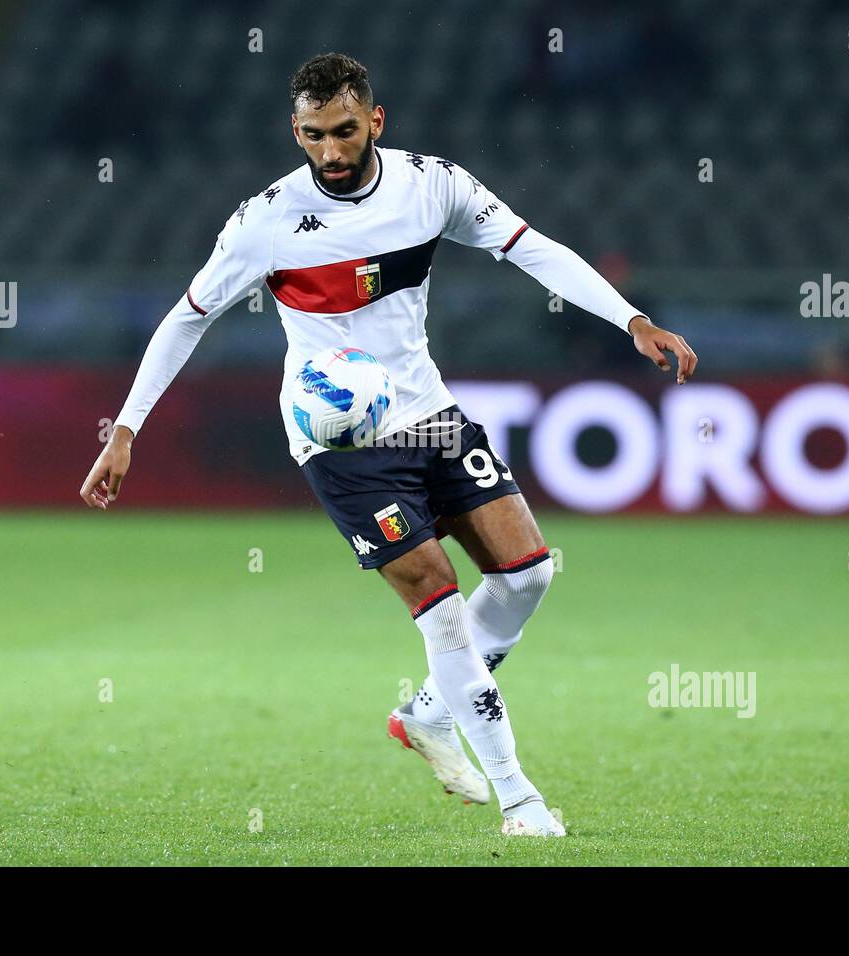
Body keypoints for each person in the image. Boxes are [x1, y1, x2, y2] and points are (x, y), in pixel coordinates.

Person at [80, 52, 697, 837]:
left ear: (375, 120)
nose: (331, 153)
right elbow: (187, 316)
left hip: (428, 412)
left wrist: (631, 320)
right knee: (439, 606)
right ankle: (519, 797)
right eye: (313, 136)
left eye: (344, 131)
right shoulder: (265, 220)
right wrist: (126, 428)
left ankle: (430, 715)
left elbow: (531, 247)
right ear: (294, 131)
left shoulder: (432, 185)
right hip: (337, 438)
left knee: (529, 574)